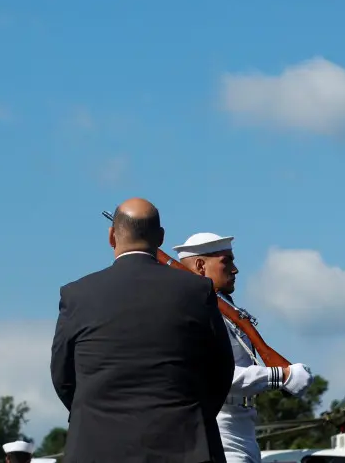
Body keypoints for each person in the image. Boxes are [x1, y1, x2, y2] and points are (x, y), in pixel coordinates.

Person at [50, 198, 234, 463]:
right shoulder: (197, 291)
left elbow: (63, 376)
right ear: (160, 237)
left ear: (112, 236)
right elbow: (220, 370)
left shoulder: (77, 295)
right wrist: (193, 415)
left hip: (97, 447)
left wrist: (92, 415)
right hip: (184, 446)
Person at [175, 231, 314, 463]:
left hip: (244, 424)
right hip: (220, 427)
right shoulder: (194, 312)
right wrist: (281, 375)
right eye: (226, 261)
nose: (235, 269)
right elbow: (215, 375)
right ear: (200, 266)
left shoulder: (225, 309)